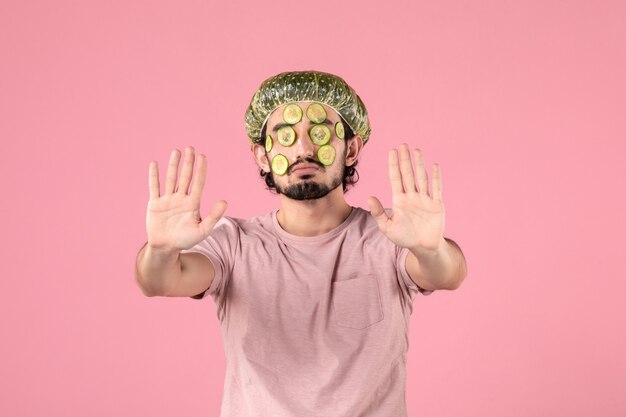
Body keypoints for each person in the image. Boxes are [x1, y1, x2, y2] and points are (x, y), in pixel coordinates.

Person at [135, 71, 467, 416]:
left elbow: (446, 274)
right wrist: (161, 250)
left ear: (350, 148)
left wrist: (430, 249)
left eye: (318, 133)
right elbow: (159, 280)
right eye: (285, 135)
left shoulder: (390, 236)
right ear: (263, 156)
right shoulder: (234, 244)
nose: (304, 149)